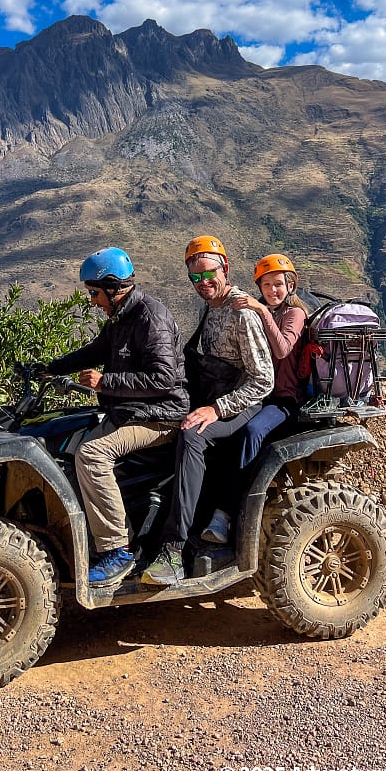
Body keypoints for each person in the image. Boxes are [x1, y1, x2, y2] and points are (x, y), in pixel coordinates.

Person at [46, 247, 190, 587]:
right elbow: (96, 350)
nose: (92, 301)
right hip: (131, 410)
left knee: (92, 454)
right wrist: (51, 367)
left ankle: (117, 550)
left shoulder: (149, 317)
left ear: (113, 287)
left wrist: (105, 382)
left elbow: (164, 378)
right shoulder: (122, 317)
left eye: (94, 292)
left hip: (161, 416)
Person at [141, 236, 274, 586]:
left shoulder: (241, 313)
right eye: (196, 278)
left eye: (209, 275)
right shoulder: (211, 306)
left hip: (243, 402)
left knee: (192, 436)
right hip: (213, 395)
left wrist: (216, 409)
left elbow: (263, 380)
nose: (203, 283)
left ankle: (174, 549)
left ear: (225, 269)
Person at [200, 253, 309, 544]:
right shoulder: (265, 312)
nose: (273, 290)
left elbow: (284, 348)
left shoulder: (294, 314)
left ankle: (230, 514)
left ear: (291, 286)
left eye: (278, 285)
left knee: (251, 432)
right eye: (266, 285)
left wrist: (260, 310)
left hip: (284, 400)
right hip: (259, 396)